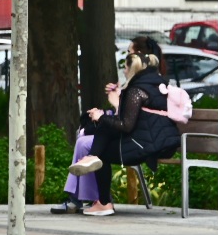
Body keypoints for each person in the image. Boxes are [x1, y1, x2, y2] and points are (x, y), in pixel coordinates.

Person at [70, 36, 181, 216]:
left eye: (126, 62)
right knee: (100, 129)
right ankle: (93, 167)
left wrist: (102, 116)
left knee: (101, 146)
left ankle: (103, 201)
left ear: (136, 61)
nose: (123, 68)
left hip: (148, 144)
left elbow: (126, 125)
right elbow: (137, 120)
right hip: (154, 140)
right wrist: (116, 102)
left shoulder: (137, 90)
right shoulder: (154, 83)